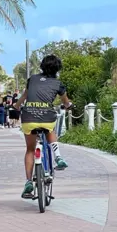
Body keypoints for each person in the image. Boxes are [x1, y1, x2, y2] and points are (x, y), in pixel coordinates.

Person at [13, 54, 71, 199]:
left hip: (29, 117)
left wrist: (16, 106)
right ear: (58, 69)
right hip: (47, 116)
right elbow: (65, 102)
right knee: (50, 129)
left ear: (42, 66)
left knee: (30, 150)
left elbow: (24, 97)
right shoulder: (58, 84)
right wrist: (68, 105)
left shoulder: (32, 79)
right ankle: (58, 157)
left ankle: (28, 183)